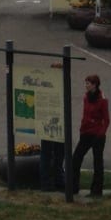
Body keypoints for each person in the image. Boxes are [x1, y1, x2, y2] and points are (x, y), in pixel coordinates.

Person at [71, 73, 109, 197]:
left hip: (97, 135)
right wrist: (82, 129)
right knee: (76, 158)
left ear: (94, 85)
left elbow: (106, 119)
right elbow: (85, 115)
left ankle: (96, 191)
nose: (85, 85)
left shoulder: (102, 100)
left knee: (97, 163)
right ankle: (73, 187)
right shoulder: (86, 97)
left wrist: (101, 134)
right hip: (86, 133)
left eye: (88, 83)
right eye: (85, 83)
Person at [39, 63, 66, 191]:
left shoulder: (60, 84)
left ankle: (56, 180)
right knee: (48, 153)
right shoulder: (50, 85)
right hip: (50, 124)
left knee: (57, 153)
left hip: (57, 123)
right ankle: (48, 182)